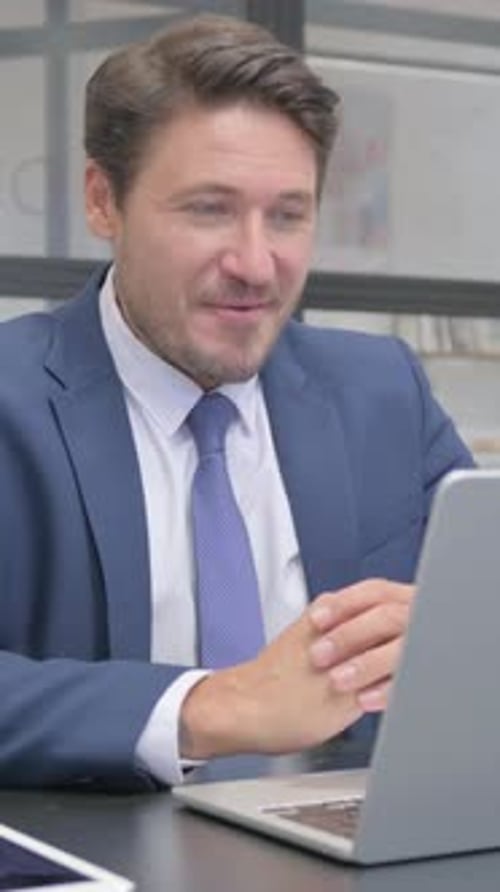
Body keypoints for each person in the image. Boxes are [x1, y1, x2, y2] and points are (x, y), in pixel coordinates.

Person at [0, 14, 472, 792]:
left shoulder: (383, 391)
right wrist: (211, 707)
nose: (256, 264)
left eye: (287, 215)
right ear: (103, 200)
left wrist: (456, 636)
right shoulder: (13, 400)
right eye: (209, 209)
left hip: (345, 838)